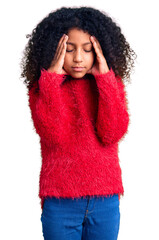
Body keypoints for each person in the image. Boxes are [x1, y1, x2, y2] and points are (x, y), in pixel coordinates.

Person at [21, 6, 136, 240]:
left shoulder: (109, 85)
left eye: (87, 49)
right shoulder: (42, 89)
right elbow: (54, 135)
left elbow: (112, 132)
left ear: (100, 51)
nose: (78, 58)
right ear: (55, 50)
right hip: (60, 201)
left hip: (105, 200)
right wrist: (51, 82)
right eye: (69, 50)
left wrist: (105, 79)